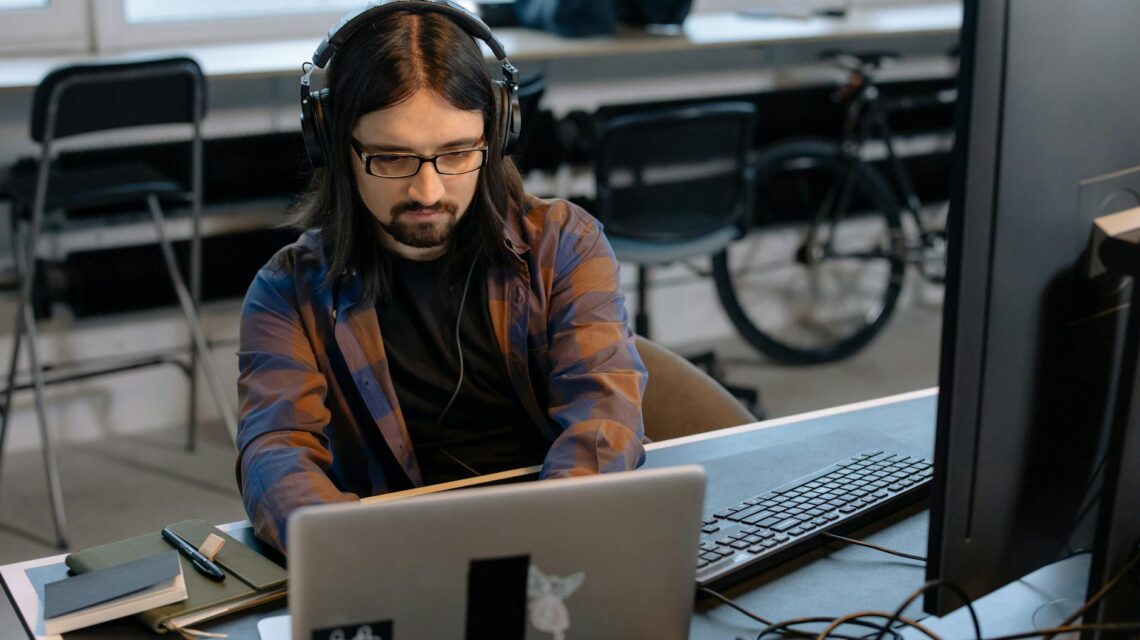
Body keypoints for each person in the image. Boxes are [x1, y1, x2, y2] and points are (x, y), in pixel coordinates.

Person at [236, 0, 647, 552]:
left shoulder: (565, 244)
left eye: (456, 154)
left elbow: (604, 418)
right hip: (393, 554)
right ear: (334, 147)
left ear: (494, 137)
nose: (428, 192)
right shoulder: (286, 292)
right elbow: (275, 453)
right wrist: (356, 555)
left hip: (556, 542)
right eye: (391, 158)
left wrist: (541, 545)